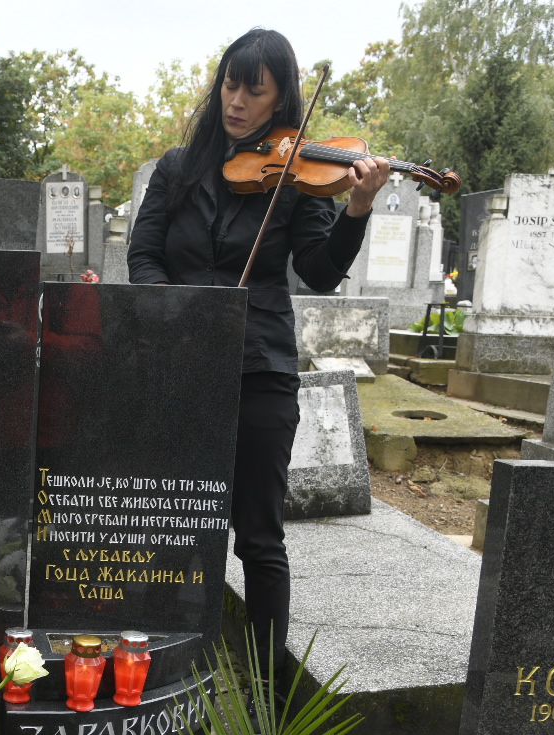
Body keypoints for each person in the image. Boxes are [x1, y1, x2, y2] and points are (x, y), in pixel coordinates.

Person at [127, 28, 388, 686]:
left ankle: (269, 691)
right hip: (182, 364)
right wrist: (186, 311)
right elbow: (144, 256)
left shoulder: (299, 178)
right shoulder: (176, 169)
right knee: (179, 521)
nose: (237, 100)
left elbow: (320, 272)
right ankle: (164, 671)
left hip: (261, 368)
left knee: (260, 536)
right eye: (230, 83)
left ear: (280, 101)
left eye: (255, 89)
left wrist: (356, 207)